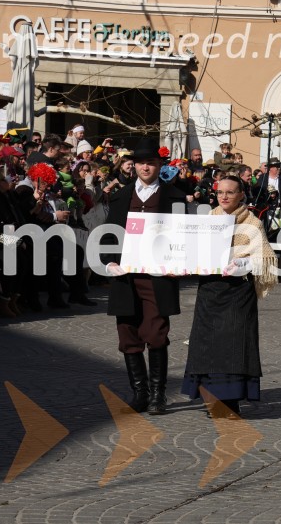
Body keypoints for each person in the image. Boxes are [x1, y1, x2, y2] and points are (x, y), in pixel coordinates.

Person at [102, 137, 187, 415]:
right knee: (128, 332)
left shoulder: (174, 196)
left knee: (157, 332)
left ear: (159, 164)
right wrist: (109, 262)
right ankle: (139, 393)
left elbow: (183, 236)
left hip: (157, 276)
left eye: (150, 162)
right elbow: (109, 234)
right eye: (140, 163)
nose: (145, 167)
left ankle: (158, 395)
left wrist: (178, 261)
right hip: (126, 276)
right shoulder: (121, 196)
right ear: (133, 166)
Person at [181, 176, 277, 418]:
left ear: (241, 195)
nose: (224, 196)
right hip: (210, 290)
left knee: (234, 346)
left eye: (230, 192)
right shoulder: (207, 221)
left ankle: (231, 402)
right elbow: (192, 250)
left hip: (237, 292)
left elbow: (264, 258)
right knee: (207, 345)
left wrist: (243, 262)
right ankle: (210, 399)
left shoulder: (252, 223)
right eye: (220, 192)